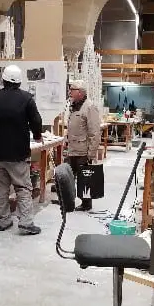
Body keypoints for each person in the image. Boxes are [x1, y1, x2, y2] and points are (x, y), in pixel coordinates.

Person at [0, 64, 43, 235]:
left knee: (0, 189)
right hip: (18, 154)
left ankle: (3, 221)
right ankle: (26, 223)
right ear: (19, 82)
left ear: (3, 80)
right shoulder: (27, 98)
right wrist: (38, 135)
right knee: (22, 188)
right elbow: (36, 120)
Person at [65, 79, 101, 211]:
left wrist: (91, 154)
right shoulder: (74, 106)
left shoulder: (90, 107)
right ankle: (68, 201)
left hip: (83, 151)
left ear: (80, 92)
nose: (70, 92)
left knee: (84, 178)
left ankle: (86, 204)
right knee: (68, 177)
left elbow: (95, 132)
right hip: (72, 149)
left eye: (72, 90)